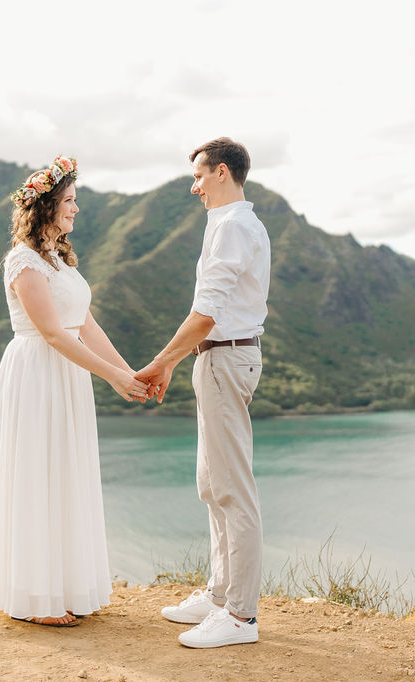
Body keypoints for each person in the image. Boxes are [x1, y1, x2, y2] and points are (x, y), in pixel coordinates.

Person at [0, 156, 148, 627]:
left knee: (65, 475)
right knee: (36, 476)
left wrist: (131, 372)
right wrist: (111, 377)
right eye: (69, 201)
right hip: (37, 375)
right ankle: (35, 598)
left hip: (69, 375)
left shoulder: (59, 261)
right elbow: (51, 332)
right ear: (46, 206)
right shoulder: (23, 261)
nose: (76, 209)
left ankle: (64, 587)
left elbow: (85, 324)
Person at [136, 137, 271, 648]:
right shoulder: (228, 224)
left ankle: (240, 616)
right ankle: (219, 595)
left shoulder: (234, 225)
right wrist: (179, 359)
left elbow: (209, 311)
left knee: (233, 489)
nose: (193, 187)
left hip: (225, 356)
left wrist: (159, 363)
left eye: (197, 175)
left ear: (220, 172)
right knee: (212, 483)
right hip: (216, 357)